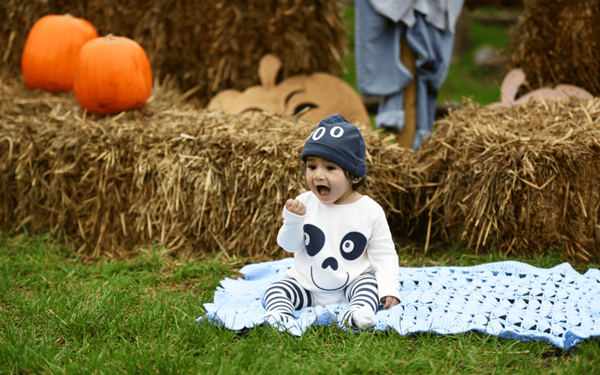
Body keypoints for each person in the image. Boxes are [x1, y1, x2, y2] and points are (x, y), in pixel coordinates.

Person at [262, 114, 401, 329]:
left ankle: (356, 314)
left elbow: (384, 254)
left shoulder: (369, 211)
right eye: (312, 166)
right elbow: (288, 245)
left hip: (351, 284)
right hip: (306, 285)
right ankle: (280, 315)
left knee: (369, 286)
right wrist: (293, 222)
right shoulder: (303, 203)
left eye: (330, 168)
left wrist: (389, 288)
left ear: (354, 176)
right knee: (276, 289)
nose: (318, 175)